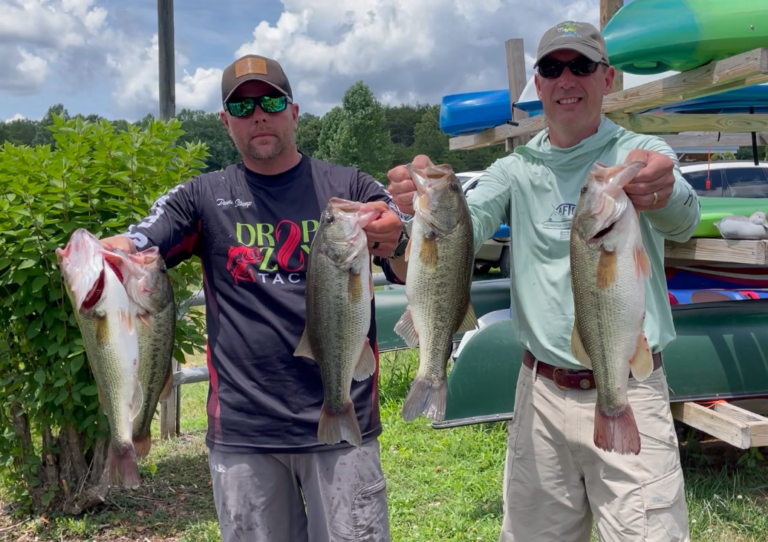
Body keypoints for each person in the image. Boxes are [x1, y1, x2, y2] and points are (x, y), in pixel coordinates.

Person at [387, 21, 698, 542]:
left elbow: (684, 218)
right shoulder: (516, 167)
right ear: (538, 81)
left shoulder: (639, 149)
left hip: (630, 387)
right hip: (540, 395)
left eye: (581, 66)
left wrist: (664, 191)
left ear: (607, 78)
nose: (566, 78)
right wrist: (420, 212)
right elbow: (470, 219)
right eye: (552, 68)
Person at [100, 53, 410, 542]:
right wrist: (103, 253)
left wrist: (402, 235)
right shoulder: (201, 196)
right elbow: (141, 242)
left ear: (294, 111)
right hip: (245, 433)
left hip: (343, 422)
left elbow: (406, 260)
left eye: (269, 101)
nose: (258, 115)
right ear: (225, 122)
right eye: (241, 108)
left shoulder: (349, 188)